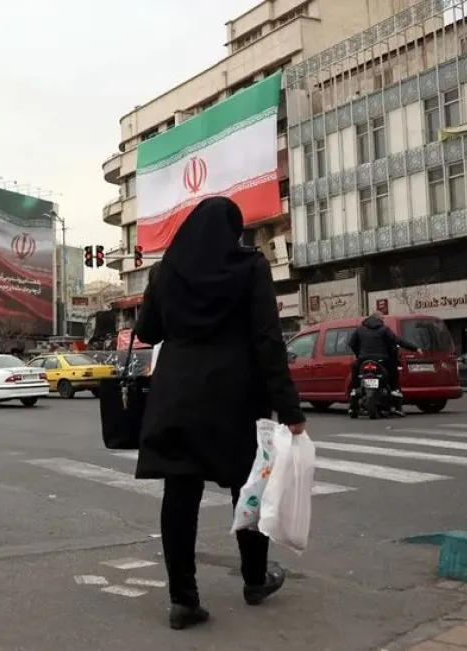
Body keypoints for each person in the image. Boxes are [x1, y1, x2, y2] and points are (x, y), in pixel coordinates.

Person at [132, 196, 305, 631]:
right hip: (235, 396)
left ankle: (183, 600)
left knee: (179, 495)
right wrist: (289, 407)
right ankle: (254, 580)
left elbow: (148, 330)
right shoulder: (250, 267)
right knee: (247, 489)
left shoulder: (164, 271)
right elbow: (267, 340)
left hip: (177, 395)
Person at [347, 313, 420, 416]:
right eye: (382, 319)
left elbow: (351, 343)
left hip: (363, 359)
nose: (383, 321)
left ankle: (352, 405)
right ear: (379, 320)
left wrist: (359, 354)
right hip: (382, 360)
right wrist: (414, 348)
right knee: (394, 378)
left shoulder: (359, 329)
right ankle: (397, 407)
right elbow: (397, 340)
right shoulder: (384, 329)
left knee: (355, 375)